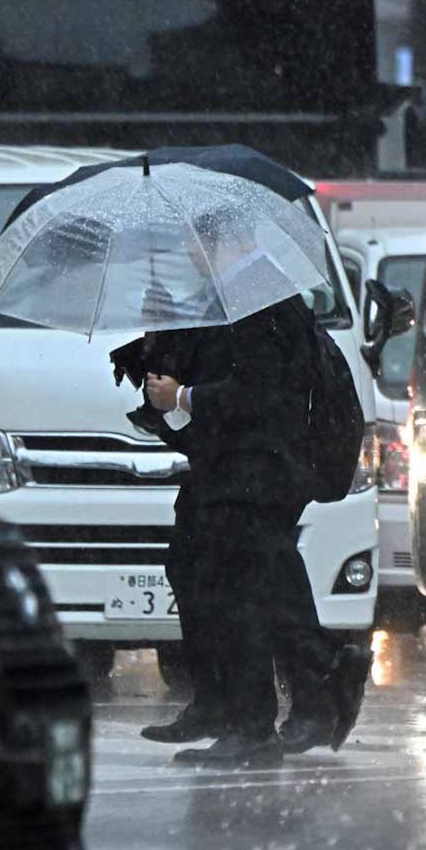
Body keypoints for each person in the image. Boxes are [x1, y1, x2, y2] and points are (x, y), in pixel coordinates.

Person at [138, 226, 366, 766]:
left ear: (228, 243)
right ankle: (262, 700)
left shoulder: (261, 299)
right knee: (211, 574)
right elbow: (216, 370)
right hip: (226, 468)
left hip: (258, 472)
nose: (190, 254)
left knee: (240, 594)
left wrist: (186, 395)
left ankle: (258, 719)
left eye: (197, 243)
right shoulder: (226, 298)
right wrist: (159, 336)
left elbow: (264, 394)